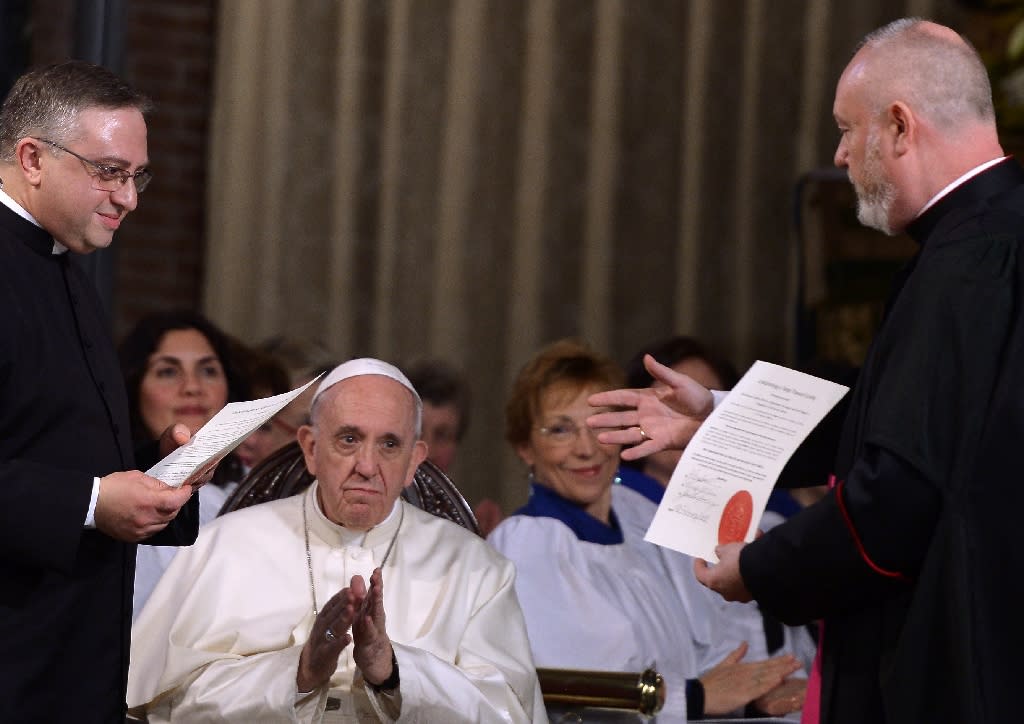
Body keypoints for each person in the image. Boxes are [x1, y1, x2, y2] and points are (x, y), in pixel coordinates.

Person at [588, 18, 1024, 724]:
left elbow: (902, 491)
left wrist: (759, 569)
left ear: (901, 127)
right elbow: (895, 419)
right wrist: (718, 416)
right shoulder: (991, 236)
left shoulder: (968, 263)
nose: (841, 154)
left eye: (850, 130)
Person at [128, 358, 546, 723]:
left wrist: (395, 672)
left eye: (389, 444)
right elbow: (169, 706)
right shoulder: (224, 546)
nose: (367, 465)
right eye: (348, 439)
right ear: (310, 448)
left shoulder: (476, 567)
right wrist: (299, 673)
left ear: (414, 462)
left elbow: (507, 711)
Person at [0, 61, 199, 722]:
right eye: (109, 171)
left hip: (71, 666)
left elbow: (46, 443)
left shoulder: (63, 265)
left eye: (136, 176)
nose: (129, 198)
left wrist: (163, 465)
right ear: (32, 157)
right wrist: (91, 503)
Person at [487, 339, 803, 721]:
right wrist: (698, 697)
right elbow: (580, 687)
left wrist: (757, 689)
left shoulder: (637, 520)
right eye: (560, 430)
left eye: (600, 426)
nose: (586, 449)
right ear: (525, 447)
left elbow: (704, 637)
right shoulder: (530, 542)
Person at [117, 309, 253, 618]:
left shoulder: (260, 484)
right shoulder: (117, 495)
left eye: (208, 371)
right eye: (168, 372)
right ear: (133, 387)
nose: (192, 387)